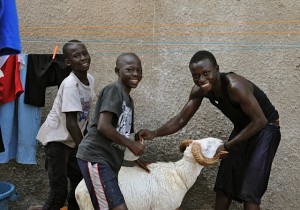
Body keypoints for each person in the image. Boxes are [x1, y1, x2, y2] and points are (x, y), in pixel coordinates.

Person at [138, 50, 281, 210]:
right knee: (224, 184)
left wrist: (227, 146)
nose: (202, 79)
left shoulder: (235, 86)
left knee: (250, 189)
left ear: (217, 69)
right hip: (243, 129)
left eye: (206, 73)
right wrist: (155, 133)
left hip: (266, 129)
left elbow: (260, 121)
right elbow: (182, 119)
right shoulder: (199, 90)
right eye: (196, 76)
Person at [76, 53, 145, 210]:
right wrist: (132, 145)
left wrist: (136, 159)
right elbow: (103, 126)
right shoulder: (114, 90)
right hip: (96, 157)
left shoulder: (128, 100)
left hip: (107, 161)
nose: (136, 74)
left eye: (139, 70)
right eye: (130, 69)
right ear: (117, 71)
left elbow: (123, 134)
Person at [36, 40, 95, 210]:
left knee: (80, 185)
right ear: (68, 62)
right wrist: (86, 151)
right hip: (57, 141)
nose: (83, 58)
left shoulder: (89, 80)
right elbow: (71, 123)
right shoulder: (70, 85)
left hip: (72, 141)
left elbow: (85, 116)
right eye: (76, 56)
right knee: (58, 193)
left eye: (85, 53)